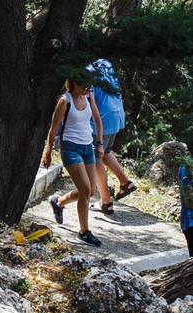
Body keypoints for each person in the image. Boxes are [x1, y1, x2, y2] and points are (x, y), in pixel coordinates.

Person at [43, 70, 108, 246]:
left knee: (90, 191)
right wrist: (48, 152)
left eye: (89, 87)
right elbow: (53, 128)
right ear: (74, 83)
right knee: (86, 190)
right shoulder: (65, 101)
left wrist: (100, 143)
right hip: (70, 148)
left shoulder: (89, 97)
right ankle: (84, 232)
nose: (86, 90)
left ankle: (59, 202)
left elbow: (97, 119)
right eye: (83, 86)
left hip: (88, 147)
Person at [87, 57, 137, 212]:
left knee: (96, 160)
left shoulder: (88, 69)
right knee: (105, 151)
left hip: (101, 118)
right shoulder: (106, 64)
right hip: (116, 116)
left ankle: (106, 202)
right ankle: (125, 182)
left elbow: (88, 96)